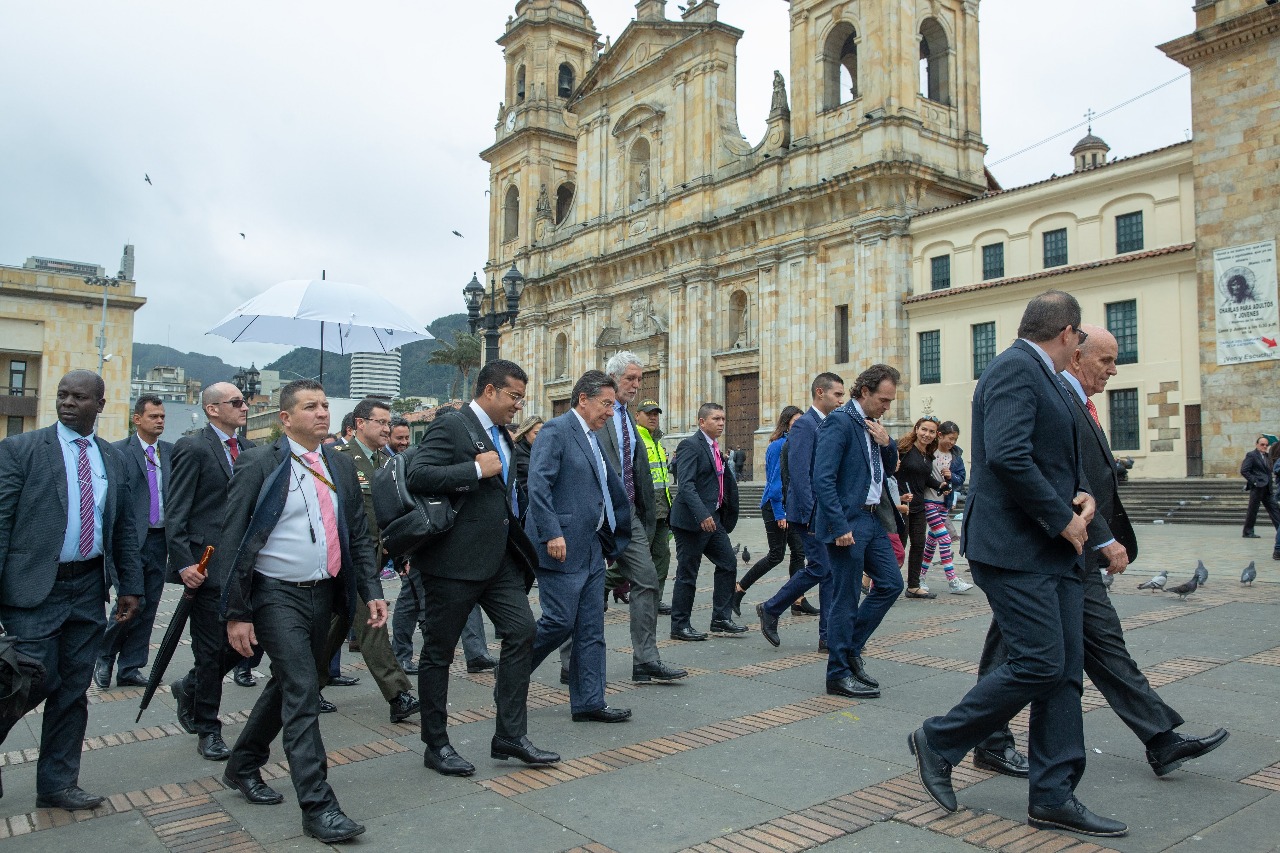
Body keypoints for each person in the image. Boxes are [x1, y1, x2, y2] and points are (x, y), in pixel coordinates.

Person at [909, 290, 1127, 838]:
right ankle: (939, 738)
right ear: (1068, 334)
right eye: (1083, 340)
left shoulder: (1046, 376)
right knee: (1038, 662)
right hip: (1014, 548)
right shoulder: (1014, 370)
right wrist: (1061, 517)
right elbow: (1007, 455)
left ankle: (1053, 795)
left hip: (1053, 548)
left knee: (1063, 674)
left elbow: (1050, 455)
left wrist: (1081, 500)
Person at [973, 324, 1229, 783]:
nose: (1113, 369)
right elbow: (1058, 480)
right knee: (1027, 654)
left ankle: (1160, 738)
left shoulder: (1070, 396)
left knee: (1096, 645)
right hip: (1049, 546)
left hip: (1066, 550)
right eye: (1106, 360)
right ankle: (966, 739)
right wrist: (1102, 537)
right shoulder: (1046, 388)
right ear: (1075, 353)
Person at [217, 379, 387, 843]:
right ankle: (318, 807)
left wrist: (370, 589)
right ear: (285, 418)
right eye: (310, 407)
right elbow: (233, 539)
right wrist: (237, 612)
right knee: (302, 693)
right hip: (274, 593)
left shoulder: (338, 465)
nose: (322, 413)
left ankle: (243, 764)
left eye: (326, 405)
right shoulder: (259, 462)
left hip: (322, 593)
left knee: (294, 683)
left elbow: (354, 530)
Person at [406, 360, 558, 777]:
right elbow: (418, 474)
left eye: (521, 398)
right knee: (439, 653)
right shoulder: (453, 425)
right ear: (489, 391)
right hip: (452, 563)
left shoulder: (503, 436)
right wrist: (474, 469)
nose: (518, 405)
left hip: (499, 561)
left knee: (523, 632)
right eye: (513, 397)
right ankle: (435, 744)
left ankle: (510, 734)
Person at [0, 370, 142, 810]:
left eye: (78, 397)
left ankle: (57, 785)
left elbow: (122, 529)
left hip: (87, 588)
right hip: (33, 589)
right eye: (62, 395)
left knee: (72, 690)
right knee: (23, 682)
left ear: (100, 404)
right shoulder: (21, 450)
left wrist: (130, 587)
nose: (67, 402)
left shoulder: (112, 458)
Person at [527, 370, 634, 721]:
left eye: (612, 405)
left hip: (591, 546)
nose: (609, 411)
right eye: (605, 404)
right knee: (558, 621)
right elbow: (538, 484)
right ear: (582, 400)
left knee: (591, 627)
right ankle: (513, 670)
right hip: (560, 544)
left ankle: (589, 701)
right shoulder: (557, 431)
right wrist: (551, 531)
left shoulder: (595, 436)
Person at [166, 381, 257, 760]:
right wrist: (185, 563)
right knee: (208, 649)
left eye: (245, 401)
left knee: (252, 643)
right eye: (236, 402)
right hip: (208, 567)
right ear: (212, 409)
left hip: (248, 568)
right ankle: (208, 727)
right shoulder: (193, 447)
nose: (245, 407)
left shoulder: (252, 451)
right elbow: (176, 511)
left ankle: (190, 685)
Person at [804, 364, 904, 700]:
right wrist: (838, 524)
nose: (887, 406)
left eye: (890, 401)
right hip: (848, 521)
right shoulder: (840, 421)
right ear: (864, 392)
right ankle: (837, 673)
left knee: (891, 583)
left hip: (873, 519)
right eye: (883, 400)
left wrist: (888, 443)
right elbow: (823, 478)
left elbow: (889, 468)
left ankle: (850, 650)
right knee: (844, 599)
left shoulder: (872, 424)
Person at [591, 353, 686, 682]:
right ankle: (570, 657)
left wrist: (644, 514)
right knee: (585, 589)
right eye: (630, 378)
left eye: (639, 379)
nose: (636, 384)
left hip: (628, 514)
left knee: (646, 581)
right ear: (613, 378)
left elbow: (638, 470)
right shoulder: (596, 414)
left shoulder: (628, 418)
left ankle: (645, 659)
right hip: (596, 515)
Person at [323, 398, 419, 724]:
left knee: (334, 629)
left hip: (375, 557)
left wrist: (401, 553)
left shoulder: (384, 461)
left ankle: (299, 684)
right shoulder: (339, 460)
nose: (386, 428)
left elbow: (388, 514)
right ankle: (398, 694)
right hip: (348, 561)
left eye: (388, 422)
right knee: (372, 622)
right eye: (379, 422)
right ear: (360, 424)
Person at [756, 373, 845, 649]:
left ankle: (827, 635)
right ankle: (771, 607)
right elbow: (799, 472)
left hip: (825, 511)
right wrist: (810, 514)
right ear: (821, 393)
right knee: (820, 567)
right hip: (809, 513)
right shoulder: (805, 425)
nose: (842, 400)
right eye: (838, 394)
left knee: (828, 571)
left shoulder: (827, 423)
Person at [95, 395, 172, 689]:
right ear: (137, 419)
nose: (160, 421)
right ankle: (104, 654)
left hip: (159, 539)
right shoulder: (119, 452)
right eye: (154, 416)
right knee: (130, 603)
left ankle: (130, 667)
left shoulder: (171, 452)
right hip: (129, 540)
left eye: (163, 416)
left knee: (149, 606)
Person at [669, 403, 741, 640]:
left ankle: (721, 618)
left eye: (723, 418)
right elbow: (686, 485)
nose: (721, 423)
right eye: (716, 419)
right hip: (692, 521)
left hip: (713, 519)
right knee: (687, 573)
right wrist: (703, 515)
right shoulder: (690, 446)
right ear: (702, 422)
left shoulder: (715, 447)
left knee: (728, 563)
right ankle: (680, 625)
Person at [733, 406, 806, 614]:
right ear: (786, 422)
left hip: (790, 506)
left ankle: (798, 600)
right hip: (775, 507)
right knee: (776, 555)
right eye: (795, 421)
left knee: (799, 553)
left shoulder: (794, 443)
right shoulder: (778, 445)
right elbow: (774, 482)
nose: (799, 425)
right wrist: (780, 512)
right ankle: (739, 589)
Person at [634, 400, 674, 614]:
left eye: (656, 414)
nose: (653, 417)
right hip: (643, 510)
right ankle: (603, 587)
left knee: (662, 555)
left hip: (661, 509)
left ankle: (654, 599)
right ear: (637, 415)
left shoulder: (657, 441)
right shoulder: (635, 439)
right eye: (648, 413)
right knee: (636, 556)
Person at [937, 422, 966, 559]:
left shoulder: (956, 457)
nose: (953, 442)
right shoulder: (929, 452)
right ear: (940, 435)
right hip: (927, 501)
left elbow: (961, 478)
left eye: (955, 439)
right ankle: (951, 575)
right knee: (943, 537)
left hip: (944, 502)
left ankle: (921, 575)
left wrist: (951, 476)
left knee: (932, 541)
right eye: (951, 438)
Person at [1240, 435, 1278, 539]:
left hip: (1267, 488)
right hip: (1257, 488)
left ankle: (1279, 530)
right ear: (1257, 445)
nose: (1264, 446)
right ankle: (1247, 532)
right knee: (1253, 510)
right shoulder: (1251, 455)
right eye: (1262, 444)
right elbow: (1244, 470)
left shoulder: (1268, 456)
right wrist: (1254, 481)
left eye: (1266, 445)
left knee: (1275, 508)